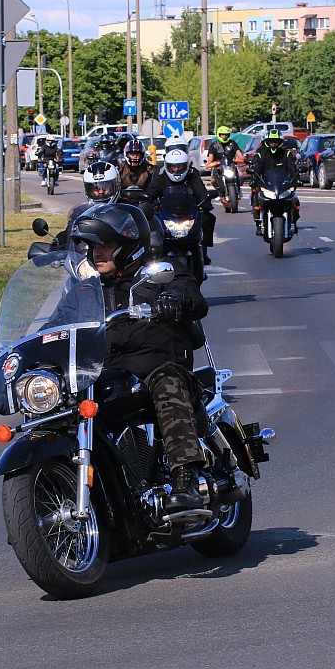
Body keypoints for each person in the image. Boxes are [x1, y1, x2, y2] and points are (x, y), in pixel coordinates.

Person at [69, 203, 210, 513]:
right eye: (92, 246)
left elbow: (191, 292)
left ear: (128, 246)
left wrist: (173, 298)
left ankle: (186, 478)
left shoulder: (155, 275)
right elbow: (58, 322)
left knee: (166, 382)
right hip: (105, 376)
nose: (96, 253)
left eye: (104, 245)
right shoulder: (83, 289)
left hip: (153, 370)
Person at [145, 147, 214, 264]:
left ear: (186, 165)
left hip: (188, 213)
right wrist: (146, 201)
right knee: (149, 224)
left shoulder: (193, 174)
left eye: (180, 166)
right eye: (173, 166)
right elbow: (151, 192)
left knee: (208, 218)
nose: (176, 169)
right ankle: (151, 258)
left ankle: (203, 251)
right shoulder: (161, 176)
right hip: (166, 213)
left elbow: (200, 190)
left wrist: (206, 202)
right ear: (167, 166)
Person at [248, 128, 301, 233]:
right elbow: (257, 168)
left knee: (295, 200)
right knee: (256, 197)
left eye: (276, 141)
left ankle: (294, 222)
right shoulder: (261, 154)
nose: (273, 144)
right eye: (271, 141)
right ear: (266, 142)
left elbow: (292, 168)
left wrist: (296, 179)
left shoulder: (286, 154)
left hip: (282, 185)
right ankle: (258, 222)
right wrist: (254, 179)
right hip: (266, 184)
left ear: (280, 142)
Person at [204, 126, 243, 206]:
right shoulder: (214, 145)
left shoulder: (232, 143)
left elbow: (239, 154)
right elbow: (210, 157)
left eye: (226, 135)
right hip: (218, 166)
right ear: (219, 135)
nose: (224, 137)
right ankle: (219, 192)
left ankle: (238, 189)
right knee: (213, 180)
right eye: (222, 135)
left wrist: (240, 159)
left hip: (231, 165)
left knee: (241, 175)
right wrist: (210, 163)